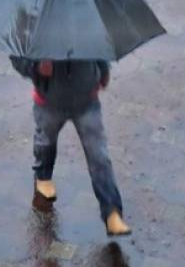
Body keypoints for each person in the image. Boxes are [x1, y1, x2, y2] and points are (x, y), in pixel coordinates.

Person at [10, 57, 131, 236]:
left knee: (99, 156)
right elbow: (18, 57)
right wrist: (35, 68)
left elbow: (98, 47)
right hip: (49, 102)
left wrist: (103, 72)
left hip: (86, 101)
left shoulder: (87, 28)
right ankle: (43, 176)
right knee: (46, 142)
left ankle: (112, 212)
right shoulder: (35, 30)